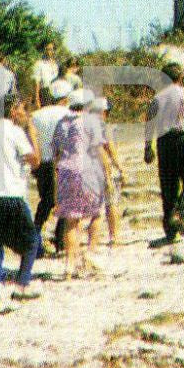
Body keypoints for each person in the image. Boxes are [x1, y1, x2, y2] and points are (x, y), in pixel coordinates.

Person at [0, 96, 42, 315]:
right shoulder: (14, 132)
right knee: (32, 241)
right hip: (11, 195)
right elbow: (35, 160)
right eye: (22, 109)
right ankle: (22, 285)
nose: (24, 114)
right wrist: (32, 133)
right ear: (13, 110)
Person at [54, 89, 121, 276]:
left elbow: (57, 154)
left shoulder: (61, 124)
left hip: (66, 171)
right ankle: (91, 253)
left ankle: (69, 264)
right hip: (89, 171)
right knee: (96, 213)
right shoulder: (92, 122)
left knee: (71, 220)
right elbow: (99, 151)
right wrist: (108, 176)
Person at [144, 62, 184, 243]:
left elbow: (149, 124)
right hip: (182, 139)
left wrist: (148, 147)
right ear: (180, 77)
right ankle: (180, 214)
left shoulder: (157, 98)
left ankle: (170, 231)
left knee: (168, 186)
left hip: (163, 143)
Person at [31, 79, 74, 256]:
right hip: (63, 162)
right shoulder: (69, 114)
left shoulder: (36, 115)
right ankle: (61, 241)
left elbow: (32, 140)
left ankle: (34, 237)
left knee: (45, 202)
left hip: (43, 163)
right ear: (65, 98)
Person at [84, 96, 124, 251]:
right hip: (104, 167)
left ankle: (90, 241)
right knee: (112, 202)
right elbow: (111, 150)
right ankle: (114, 236)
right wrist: (120, 167)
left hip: (89, 169)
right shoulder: (104, 127)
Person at [31, 41, 61, 109]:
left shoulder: (57, 65)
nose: (49, 52)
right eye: (47, 49)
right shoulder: (39, 64)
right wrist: (37, 100)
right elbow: (36, 83)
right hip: (45, 93)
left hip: (56, 94)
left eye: (51, 49)